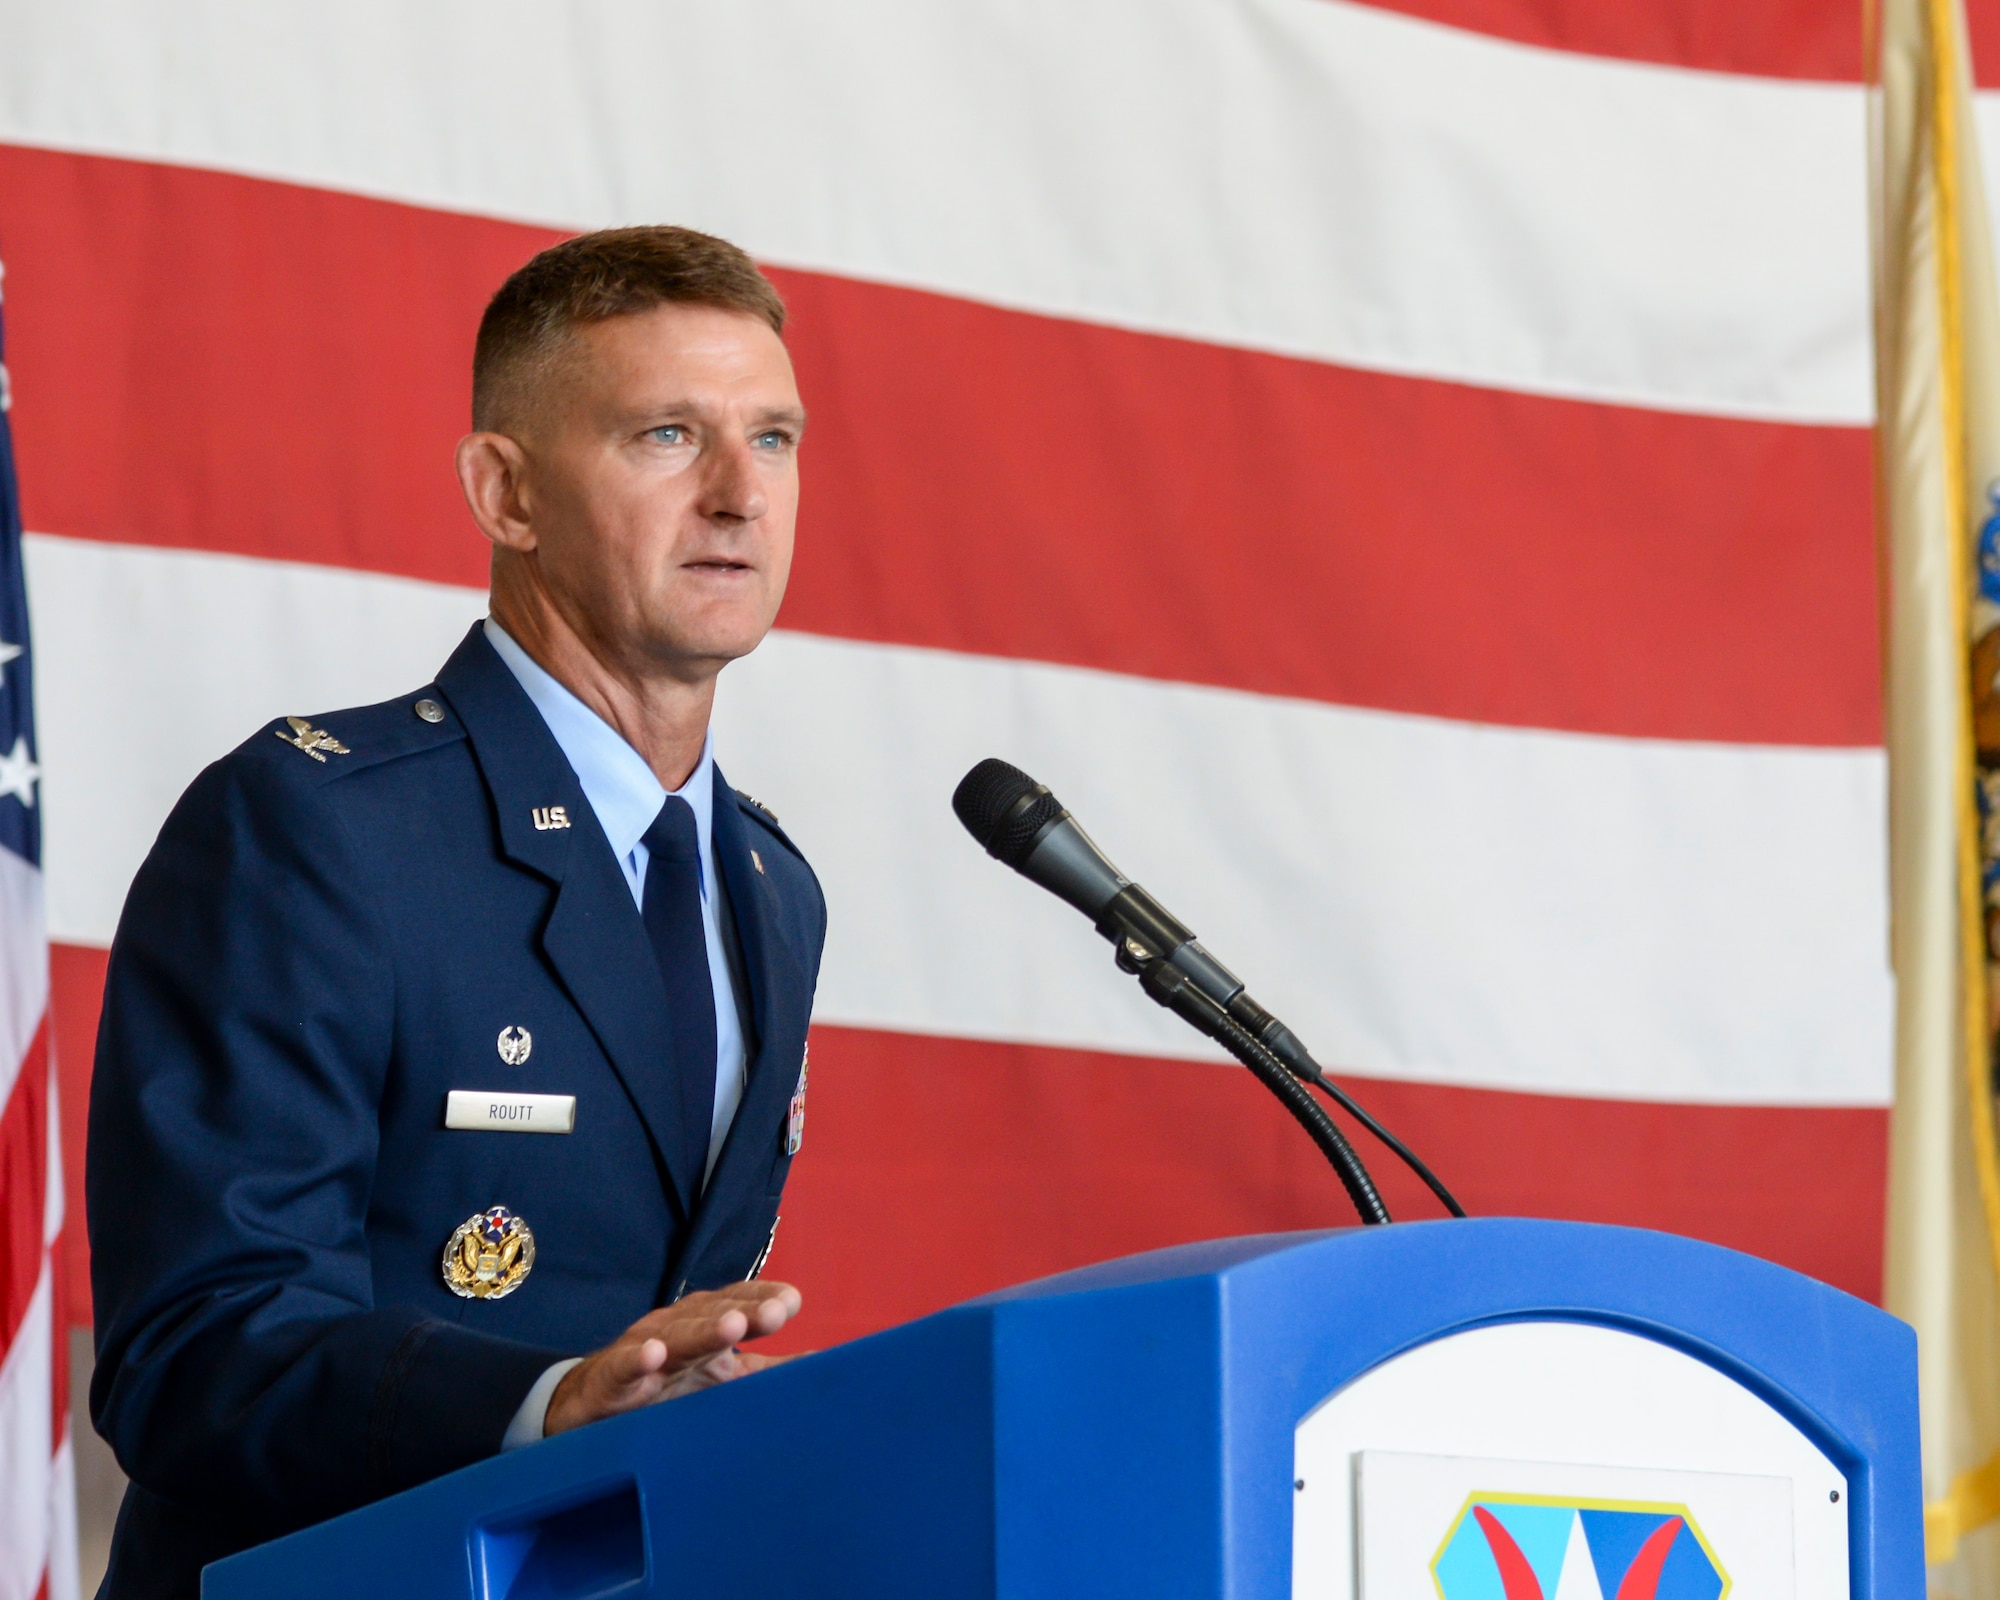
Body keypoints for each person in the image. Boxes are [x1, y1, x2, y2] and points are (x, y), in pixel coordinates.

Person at [84, 226, 826, 1597]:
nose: (738, 494)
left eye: (772, 439)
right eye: (668, 436)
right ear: (505, 493)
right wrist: (545, 1407)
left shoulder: (770, 889)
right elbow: (192, 1345)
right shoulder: (318, 827)